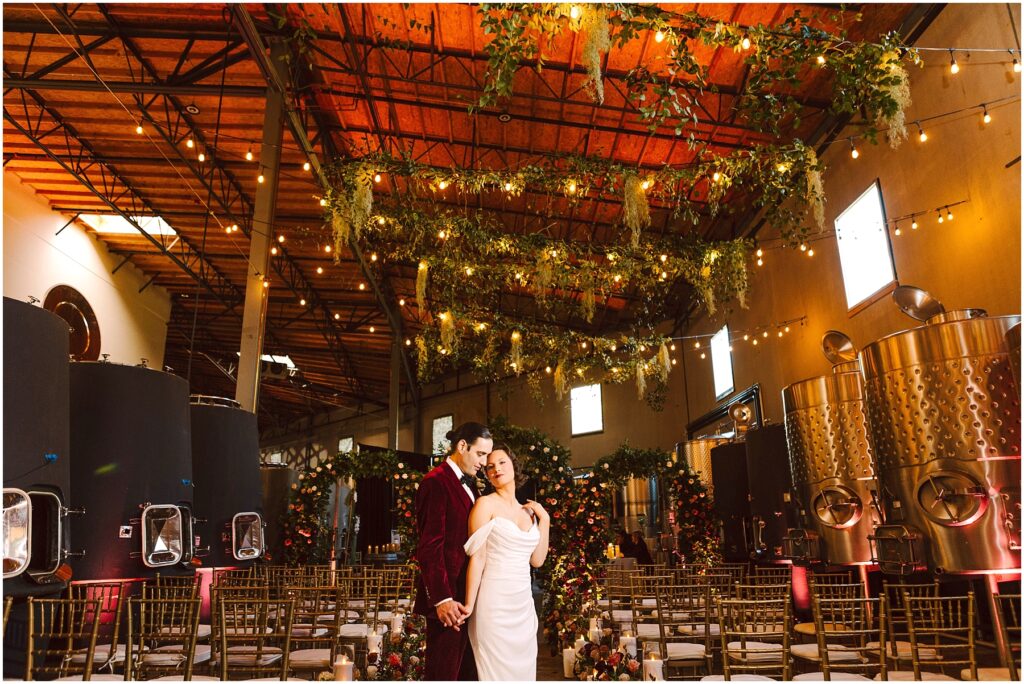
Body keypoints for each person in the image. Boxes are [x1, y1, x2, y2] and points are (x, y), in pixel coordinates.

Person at [463, 445, 550, 681]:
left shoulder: (530, 512)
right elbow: (478, 558)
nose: (496, 469)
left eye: (502, 462)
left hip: (522, 605)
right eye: (490, 466)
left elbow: (537, 560)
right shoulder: (485, 505)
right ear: (487, 475)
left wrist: (545, 520)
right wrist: (469, 605)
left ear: (514, 466)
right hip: (493, 605)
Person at [413, 422, 492, 681]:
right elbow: (429, 546)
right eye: (480, 454)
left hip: (466, 598)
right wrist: (442, 599)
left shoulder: (471, 485)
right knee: (443, 674)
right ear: (462, 446)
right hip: (449, 603)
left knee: (466, 673)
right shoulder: (435, 482)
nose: (484, 462)